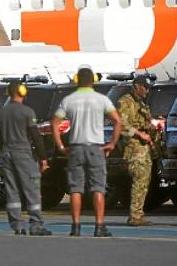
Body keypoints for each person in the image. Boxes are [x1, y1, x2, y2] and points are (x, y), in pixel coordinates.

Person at [52, 67, 121, 237]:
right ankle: (99, 226)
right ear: (93, 81)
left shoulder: (69, 100)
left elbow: (54, 123)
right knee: (98, 187)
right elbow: (117, 121)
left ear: (77, 80)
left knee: (76, 188)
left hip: (76, 147)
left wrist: (61, 146)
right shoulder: (101, 99)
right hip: (96, 147)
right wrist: (112, 143)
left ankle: (75, 227)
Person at [0, 82, 52, 236]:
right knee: (32, 189)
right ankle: (36, 225)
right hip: (23, 154)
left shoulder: (1, 113)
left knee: (12, 190)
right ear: (22, 92)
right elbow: (35, 136)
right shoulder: (27, 112)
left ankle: (17, 226)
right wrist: (43, 158)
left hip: (7, 153)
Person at [117, 75, 155, 226]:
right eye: (145, 87)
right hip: (134, 148)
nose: (147, 91)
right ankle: (135, 215)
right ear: (137, 86)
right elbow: (122, 125)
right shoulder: (126, 102)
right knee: (139, 181)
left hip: (144, 148)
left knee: (144, 181)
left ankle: (138, 214)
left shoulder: (140, 102)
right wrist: (140, 133)